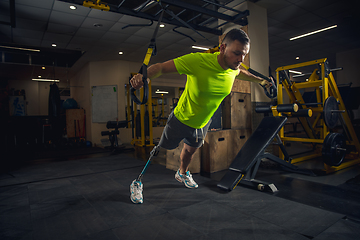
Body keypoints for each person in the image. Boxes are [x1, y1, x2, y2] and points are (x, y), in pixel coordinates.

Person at [129, 28, 271, 204]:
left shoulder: (233, 68)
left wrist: (262, 81)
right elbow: (161, 68)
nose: (240, 60)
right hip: (181, 118)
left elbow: (242, 73)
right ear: (222, 48)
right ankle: (138, 182)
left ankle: (182, 173)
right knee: (159, 150)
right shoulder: (197, 61)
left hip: (202, 123)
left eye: (244, 54)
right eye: (236, 53)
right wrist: (142, 77)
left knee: (189, 152)